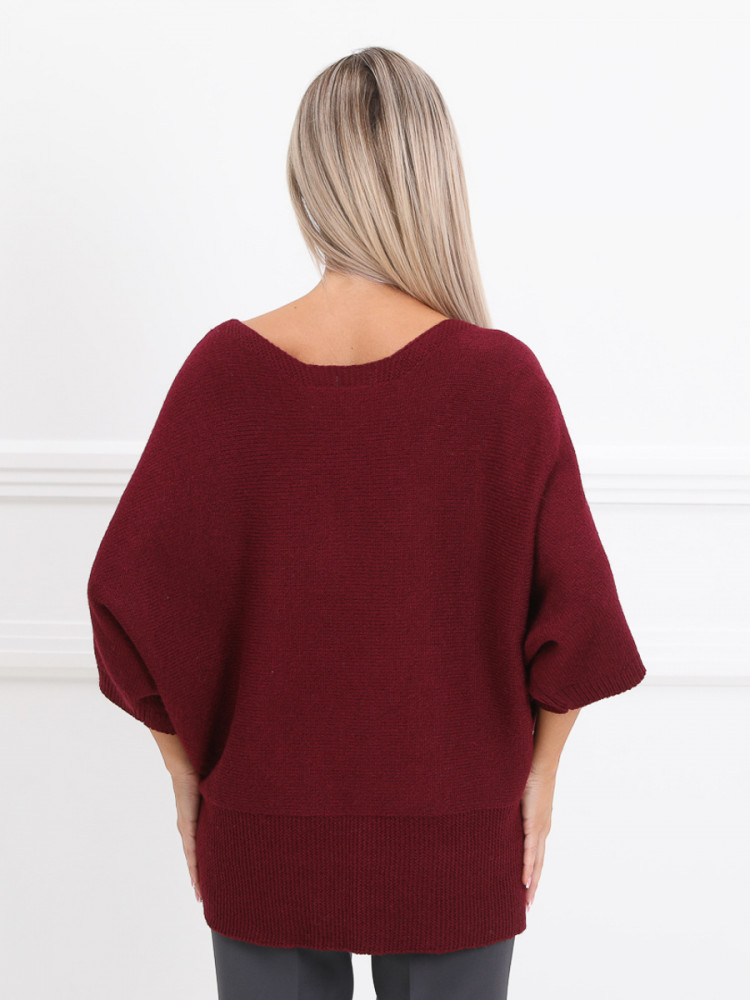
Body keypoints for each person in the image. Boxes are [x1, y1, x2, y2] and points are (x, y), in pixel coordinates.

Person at [87, 46, 647, 1000]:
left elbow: (127, 600)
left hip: (260, 836)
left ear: (308, 182)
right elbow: (580, 622)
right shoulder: (501, 384)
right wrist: (542, 775)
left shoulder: (223, 375)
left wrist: (182, 772)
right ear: (435, 180)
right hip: (459, 841)